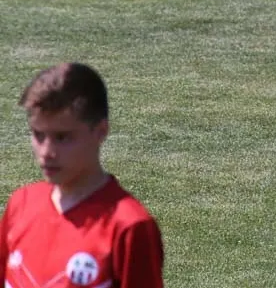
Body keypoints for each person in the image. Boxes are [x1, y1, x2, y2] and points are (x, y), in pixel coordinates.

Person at [0, 63, 164, 287]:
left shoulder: (129, 226)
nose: (46, 152)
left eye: (62, 137)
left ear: (100, 132)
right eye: (38, 135)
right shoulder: (21, 204)